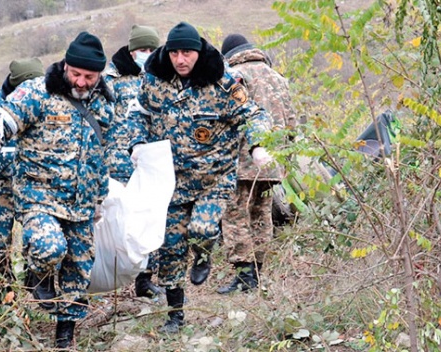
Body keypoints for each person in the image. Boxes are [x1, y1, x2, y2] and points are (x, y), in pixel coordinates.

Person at [0, 31, 115, 348]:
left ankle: (65, 338)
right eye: (76, 74)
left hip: (83, 203)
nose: (81, 82)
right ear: (65, 66)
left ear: (99, 74)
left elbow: (102, 153)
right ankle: (40, 275)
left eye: (89, 77)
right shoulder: (37, 93)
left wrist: (101, 197)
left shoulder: (105, 102)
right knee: (50, 248)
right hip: (39, 198)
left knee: (79, 271)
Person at [127, 22, 272, 333]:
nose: (181, 60)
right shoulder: (155, 80)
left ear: (199, 52)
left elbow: (255, 114)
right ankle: (175, 316)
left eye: (187, 53)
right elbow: (139, 113)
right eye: (175, 53)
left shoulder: (223, 81)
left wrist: (258, 145)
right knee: (169, 250)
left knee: (203, 229)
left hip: (214, 179)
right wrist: (137, 142)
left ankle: (204, 254)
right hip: (171, 181)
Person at [217, 34, 297, 294]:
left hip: (242, 160)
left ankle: (244, 275)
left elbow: (226, 119)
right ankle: (258, 270)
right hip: (273, 161)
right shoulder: (278, 78)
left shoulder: (234, 76)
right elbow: (293, 122)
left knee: (235, 214)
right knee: (261, 213)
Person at [103, 24, 165, 299]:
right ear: (131, 50)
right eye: (142, 49)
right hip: (115, 164)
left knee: (148, 220)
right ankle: (104, 275)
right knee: (113, 221)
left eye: (152, 49)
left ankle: (144, 279)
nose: (147, 54)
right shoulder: (110, 79)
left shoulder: (159, 78)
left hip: (146, 163)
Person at [0, 57, 44, 296]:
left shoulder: (44, 103)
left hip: (30, 185)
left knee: (37, 237)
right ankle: (3, 293)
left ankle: (34, 282)